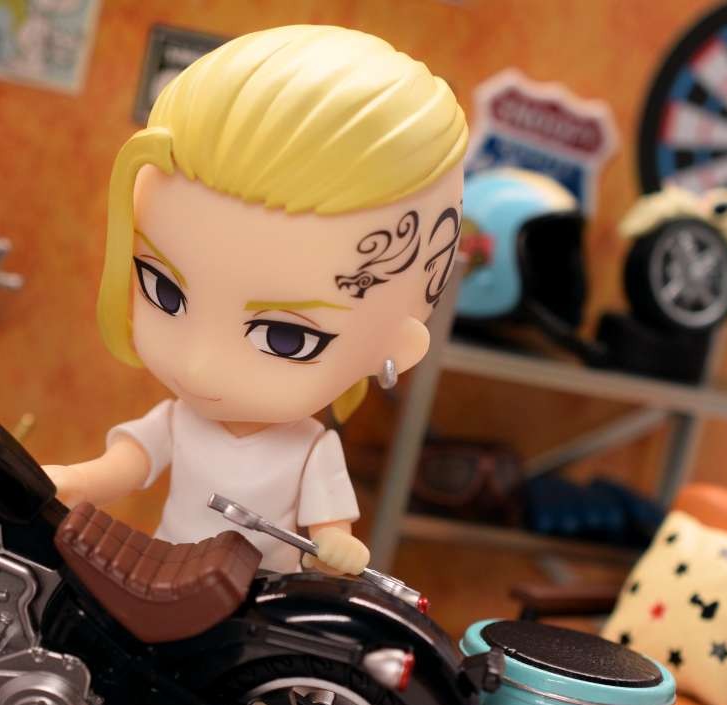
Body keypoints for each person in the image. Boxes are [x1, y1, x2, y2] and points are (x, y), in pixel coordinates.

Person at [44, 24, 467, 574]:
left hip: (261, 594)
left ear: (396, 348)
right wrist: (73, 481)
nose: (200, 365)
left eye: (286, 338)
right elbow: (124, 468)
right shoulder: (178, 422)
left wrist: (334, 547)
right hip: (166, 572)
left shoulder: (310, 449)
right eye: (164, 291)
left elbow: (330, 530)